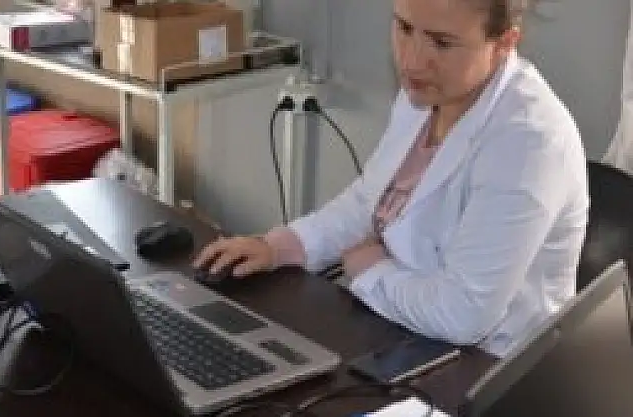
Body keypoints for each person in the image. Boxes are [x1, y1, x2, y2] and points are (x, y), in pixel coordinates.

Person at [193, 0, 589, 358]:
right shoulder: (428, 93)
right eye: (404, 27)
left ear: (504, 43)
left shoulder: (530, 141)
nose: (412, 60)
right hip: (402, 328)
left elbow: (464, 315)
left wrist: (368, 269)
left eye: (442, 43)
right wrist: (280, 246)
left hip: (484, 369)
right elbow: (370, 201)